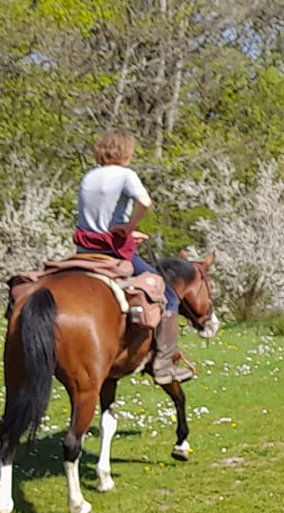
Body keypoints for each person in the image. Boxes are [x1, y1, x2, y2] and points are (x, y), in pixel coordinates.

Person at [74, 128, 194, 384]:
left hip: (84, 251)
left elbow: (96, 220)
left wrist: (129, 232)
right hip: (113, 252)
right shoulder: (126, 175)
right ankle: (164, 363)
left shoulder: (89, 177)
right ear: (125, 151)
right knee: (169, 294)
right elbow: (145, 202)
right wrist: (129, 229)